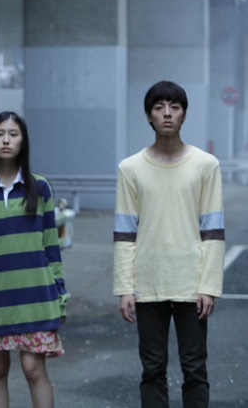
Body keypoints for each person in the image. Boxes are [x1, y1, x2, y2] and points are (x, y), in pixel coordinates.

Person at [113, 80, 225, 408]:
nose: (167, 113)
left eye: (174, 107)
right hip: (148, 282)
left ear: (184, 115)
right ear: (148, 115)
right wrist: (125, 288)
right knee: (152, 369)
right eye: (159, 107)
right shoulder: (130, 168)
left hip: (192, 282)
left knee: (195, 369)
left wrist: (209, 286)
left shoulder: (206, 165)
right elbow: (124, 233)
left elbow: (213, 230)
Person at [0, 111, 68, 408]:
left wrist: (61, 297)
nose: (6, 140)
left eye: (13, 134)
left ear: (23, 141)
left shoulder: (39, 188)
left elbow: (51, 247)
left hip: (36, 297)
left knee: (33, 369)